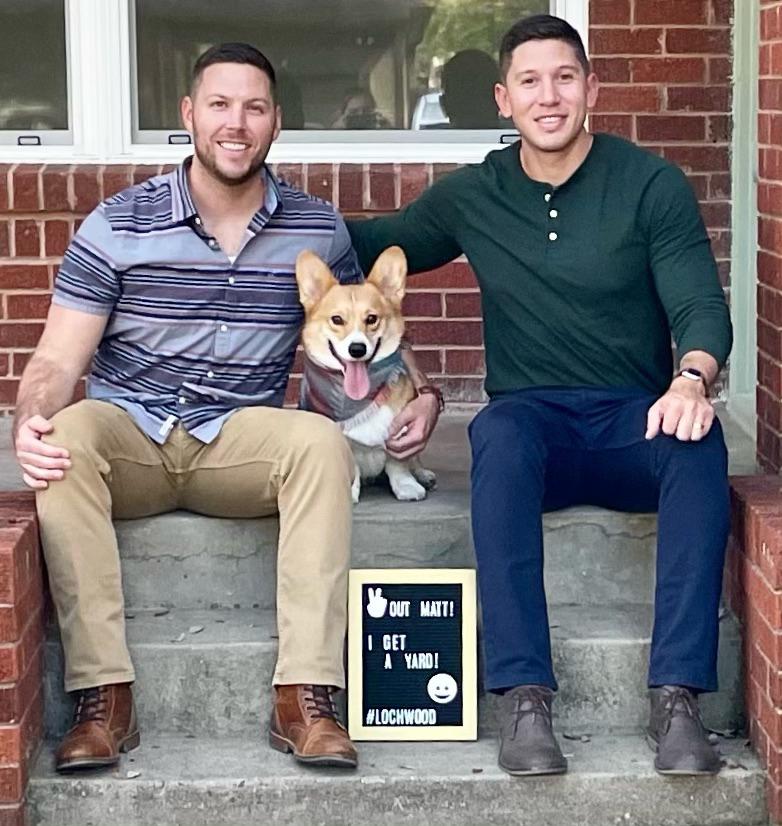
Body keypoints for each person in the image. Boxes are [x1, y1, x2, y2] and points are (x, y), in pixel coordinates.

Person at [12, 41, 440, 773]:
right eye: (219, 104)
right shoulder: (118, 222)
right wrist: (32, 415)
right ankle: (102, 699)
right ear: (188, 115)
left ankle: (307, 696)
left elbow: (363, 321)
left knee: (318, 443)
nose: (235, 123)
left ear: (276, 122)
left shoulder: (315, 229)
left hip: (239, 438)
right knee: (68, 436)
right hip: (131, 432)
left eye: (254, 107)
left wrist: (424, 395)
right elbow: (56, 360)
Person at [348, 14, 732, 777]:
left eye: (564, 78)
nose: (548, 97)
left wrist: (692, 379)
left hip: (633, 416)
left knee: (702, 442)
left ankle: (678, 696)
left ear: (591, 87)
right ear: (502, 98)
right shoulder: (475, 195)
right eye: (529, 81)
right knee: (498, 433)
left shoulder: (649, 184)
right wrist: (261, 210)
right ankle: (524, 697)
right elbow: (371, 242)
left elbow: (699, 305)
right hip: (535, 423)